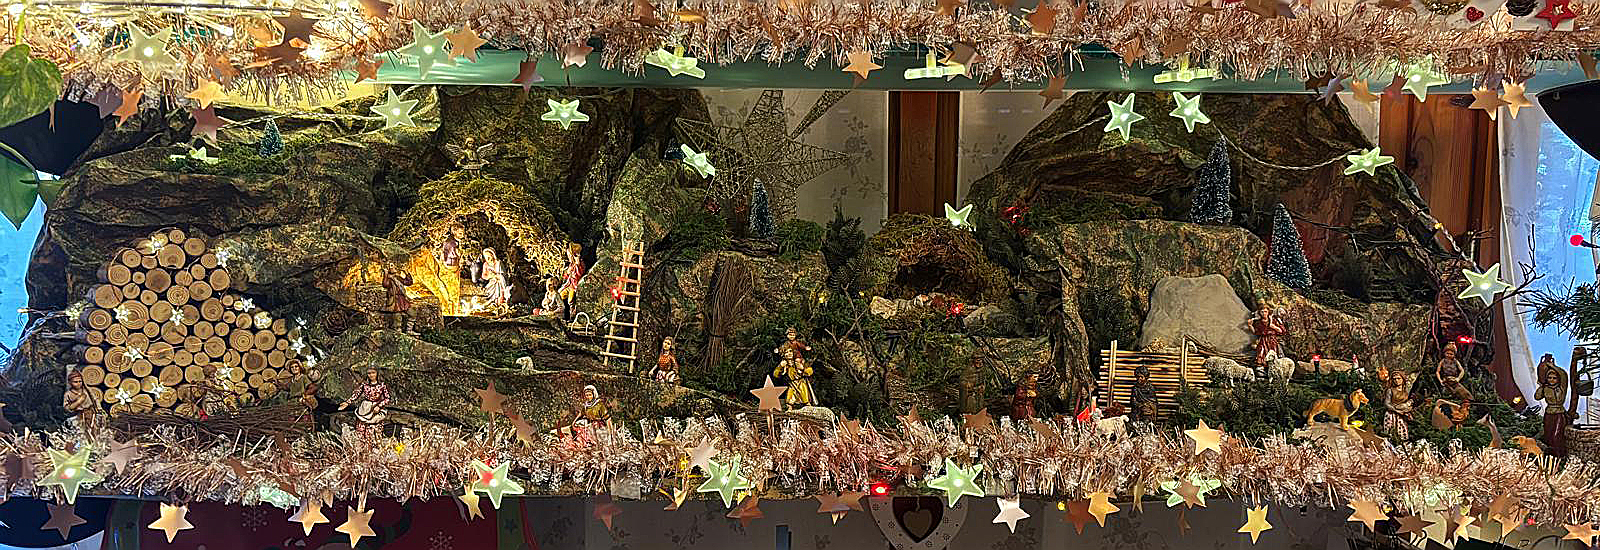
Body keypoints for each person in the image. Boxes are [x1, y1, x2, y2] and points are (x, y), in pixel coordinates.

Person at [1534, 353, 1570, 455]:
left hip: (1559, 414)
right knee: (1548, 434)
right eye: (1549, 378)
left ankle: (1559, 454)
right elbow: (1537, 397)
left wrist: (1553, 366)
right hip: (1549, 413)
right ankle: (1549, 454)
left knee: (1557, 435)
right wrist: (1541, 385)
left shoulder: (1561, 387)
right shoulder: (1546, 388)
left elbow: (1563, 374)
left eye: (1554, 378)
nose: (1552, 380)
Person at [340, 367, 390, 438]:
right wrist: (347, 402)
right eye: (369, 373)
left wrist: (379, 406)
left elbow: (387, 398)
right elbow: (356, 394)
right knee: (361, 429)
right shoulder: (364, 385)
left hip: (375, 409)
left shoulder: (382, 385)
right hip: (365, 408)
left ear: (377, 373)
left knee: (374, 431)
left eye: (373, 373)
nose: (371, 375)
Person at [1377, 364, 1415, 440]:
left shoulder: (1405, 391)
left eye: (1398, 378)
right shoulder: (1390, 390)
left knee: (1402, 434)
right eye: (1394, 379)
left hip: (1402, 414)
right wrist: (1396, 410)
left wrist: (1408, 407)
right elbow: (1387, 403)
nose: (1397, 381)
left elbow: (1406, 402)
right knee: (1390, 433)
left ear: (1402, 379)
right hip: (1391, 414)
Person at [1250, 303, 1285, 370]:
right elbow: (1256, 332)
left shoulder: (1274, 320)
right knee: (1261, 352)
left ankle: (1275, 367)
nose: (1264, 313)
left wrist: (1273, 326)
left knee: (1274, 353)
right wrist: (1250, 326)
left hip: (1272, 339)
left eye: (1265, 311)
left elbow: (1281, 331)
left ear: (1268, 312)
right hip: (1263, 340)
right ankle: (1262, 367)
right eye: (1262, 312)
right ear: (1259, 313)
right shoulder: (1258, 322)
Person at [381, 263, 414, 332]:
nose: (393, 267)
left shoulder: (398, 278)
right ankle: (398, 331)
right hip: (395, 300)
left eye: (393, 266)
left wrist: (406, 272)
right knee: (397, 317)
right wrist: (386, 274)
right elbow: (385, 284)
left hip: (402, 299)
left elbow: (409, 282)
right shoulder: (389, 279)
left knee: (412, 313)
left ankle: (409, 330)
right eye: (391, 266)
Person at [558, 243, 585, 317]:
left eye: (569, 255)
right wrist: (567, 273)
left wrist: (577, 264)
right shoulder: (571, 265)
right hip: (569, 284)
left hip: (574, 286)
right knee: (560, 295)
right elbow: (566, 276)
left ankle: (572, 314)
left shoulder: (580, 264)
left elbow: (579, 275)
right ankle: (562, 313)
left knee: (571, 299)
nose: (568, 257)